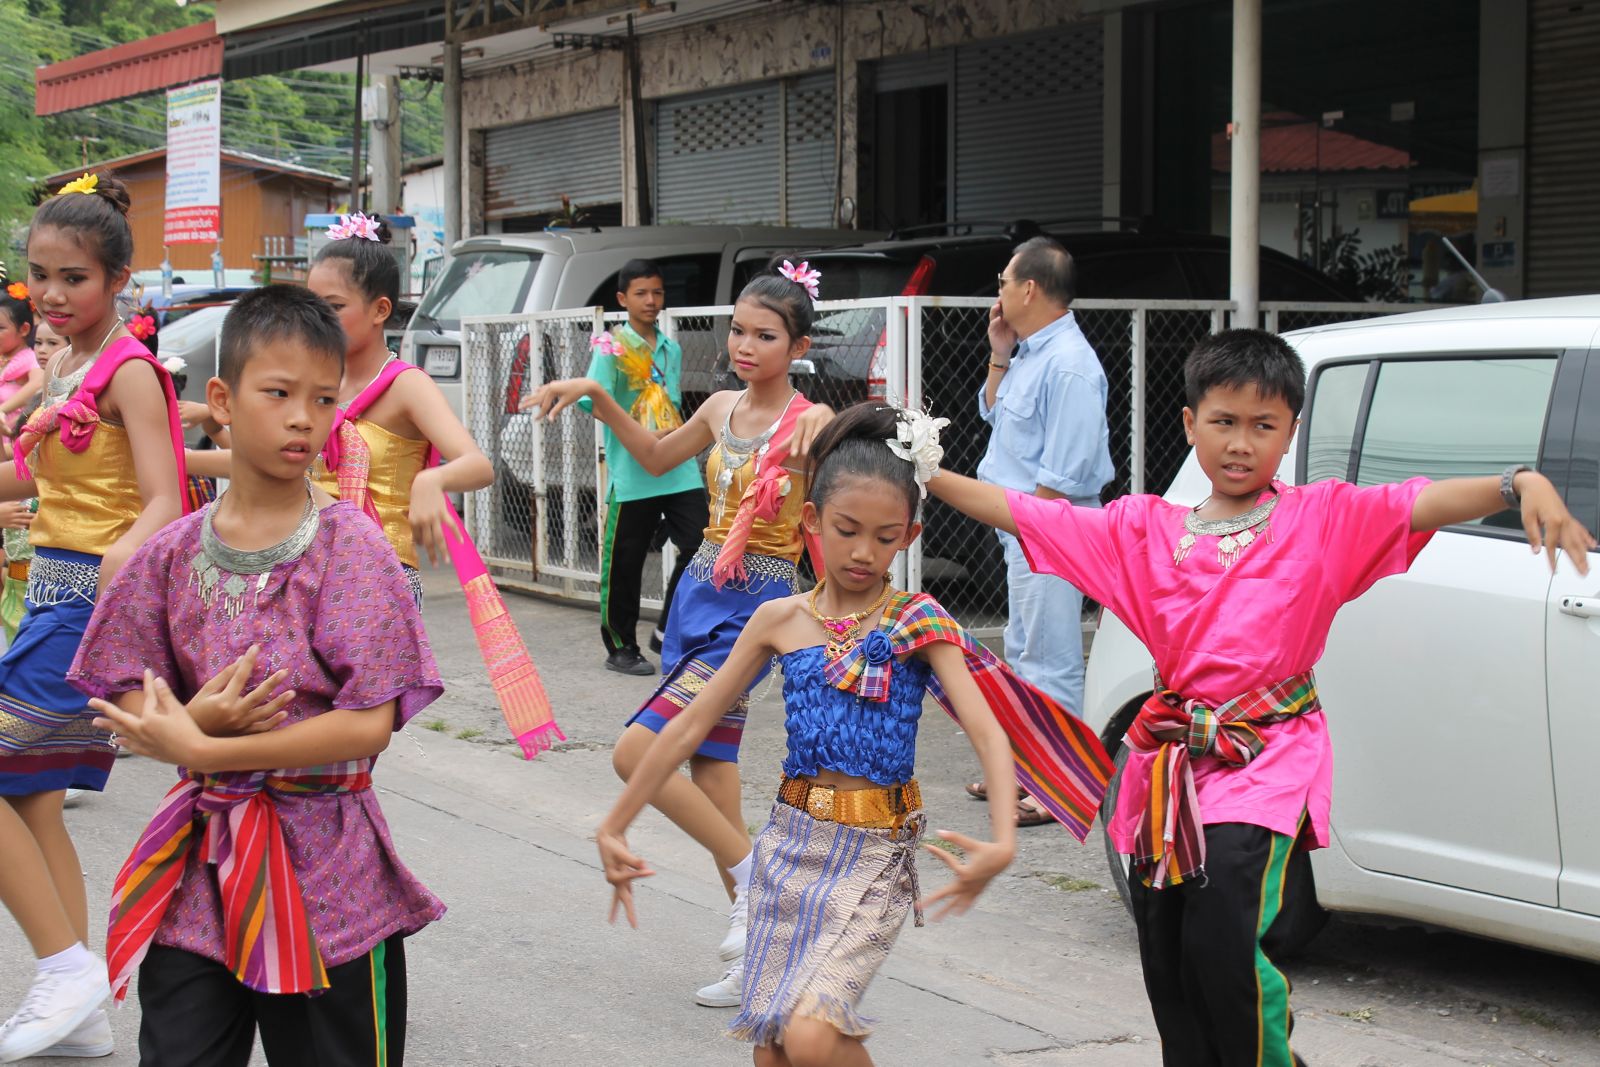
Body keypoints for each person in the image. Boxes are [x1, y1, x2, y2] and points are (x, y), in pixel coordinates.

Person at [923, 328, 1597, 1067]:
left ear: (1290, 433)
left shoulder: (1322, 519)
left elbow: (1419, 503)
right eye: (1224, 421)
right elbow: (1024, 512)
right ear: (1190, 424)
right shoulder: (1142, 529)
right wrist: (924, 471)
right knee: (1168, 958)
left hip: (1265, 759)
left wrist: (1517, 483)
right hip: (1166, 765)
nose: (1241, 443)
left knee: (1223, 940)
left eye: (1263, 425)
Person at [591, 403, 1112, 1067]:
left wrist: (1005, 837)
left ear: (910, 535)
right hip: (787, 848)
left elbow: (986, 731)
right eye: (847, 530)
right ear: (811, 521)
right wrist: (616, 823)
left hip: (874, 853)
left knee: (811, 1036)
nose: (864, 551)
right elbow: (690, 723)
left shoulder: (916, 618)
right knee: (774, 1050)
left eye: (885, 536)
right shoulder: (779, 619)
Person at [72, 285, 446, 1066]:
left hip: (331, 877)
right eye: (278, 393)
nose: (304, 418)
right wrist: (188, 720)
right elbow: (125, 682)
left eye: (324, 399)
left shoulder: (353, 548)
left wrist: (210, 749)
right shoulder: (173, 551)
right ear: (222, 400)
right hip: (200, 873)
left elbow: (369, 721)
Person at [522, 258, 835, 1006]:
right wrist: (598, 393)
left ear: (798, 347)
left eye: (766, 335)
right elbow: (657, 456)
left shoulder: (811, 422)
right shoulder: (721, 406)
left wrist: (828, 424)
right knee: (711, 772)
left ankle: (764, 886)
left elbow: (851, 471)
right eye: (738, 330)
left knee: (637, 751)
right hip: (697, 594)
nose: (745, 345)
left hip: (756, 611)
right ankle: (769, 956)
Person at [0, 171, 189, 1061]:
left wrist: (120, 560)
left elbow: (166, 498)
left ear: (118, 279)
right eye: (39, 274)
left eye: (72, 277)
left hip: (88, 607)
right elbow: (39, 479)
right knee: (33, 800)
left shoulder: (132, 371)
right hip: (49, 596)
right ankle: (81, 1008)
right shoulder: (62, 365)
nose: (50, 292)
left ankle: (66, 969)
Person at [970, 236, 1113, 827]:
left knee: (1052, 655)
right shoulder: (1032, 351)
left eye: (1004, 281)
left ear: (1029, 288)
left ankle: (1060, 784)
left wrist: (1034, 529)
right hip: (1024, 526)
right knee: (1025, 648)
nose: (999, 292)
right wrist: (999, 353)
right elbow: (993, 411)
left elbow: (1065, 472)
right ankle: (1026, 768)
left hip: (1050, 528)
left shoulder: (1070, 364)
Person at [307, 212, 493, 603]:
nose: (318, 320)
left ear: (380, 310)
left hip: (383, 582)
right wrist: (190, 452)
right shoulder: (316, 382)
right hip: (311, 573)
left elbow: (478, 466)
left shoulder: (406, 385)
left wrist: (431, 481)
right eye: (312, 306)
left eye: (334, 307)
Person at [581, 259, 706, 676]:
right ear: (623, 299)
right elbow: (594, 401)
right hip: (632, 471)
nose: (651, 301)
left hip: (677, 464)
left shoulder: (671, 348)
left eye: (657, 292)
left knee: (703, 544)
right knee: (626, 562)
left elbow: (671, 402)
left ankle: (667, 629)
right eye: (641, 293)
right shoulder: (611, 347)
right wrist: (638, 432)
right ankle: (621, 646)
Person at [0, 282, 43, 440]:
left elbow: (39, 384)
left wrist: (2, 409)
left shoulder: (31, 359)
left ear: (24, 329)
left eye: (0, 328)